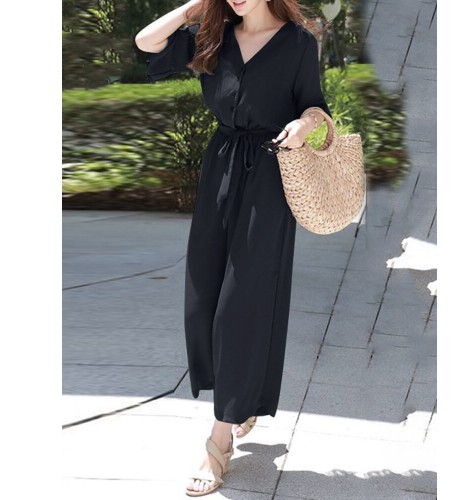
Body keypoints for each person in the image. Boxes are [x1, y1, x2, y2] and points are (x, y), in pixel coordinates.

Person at [135, 0, 332, 495]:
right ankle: (240, 398)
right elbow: (146, 41)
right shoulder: (214, 36)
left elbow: (316, 107)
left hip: (269, 180)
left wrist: (305, 126)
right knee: (203, 297)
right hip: (220, 169)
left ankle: (218, 439)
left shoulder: (297, 42)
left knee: (242, 303)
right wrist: (193, 9)